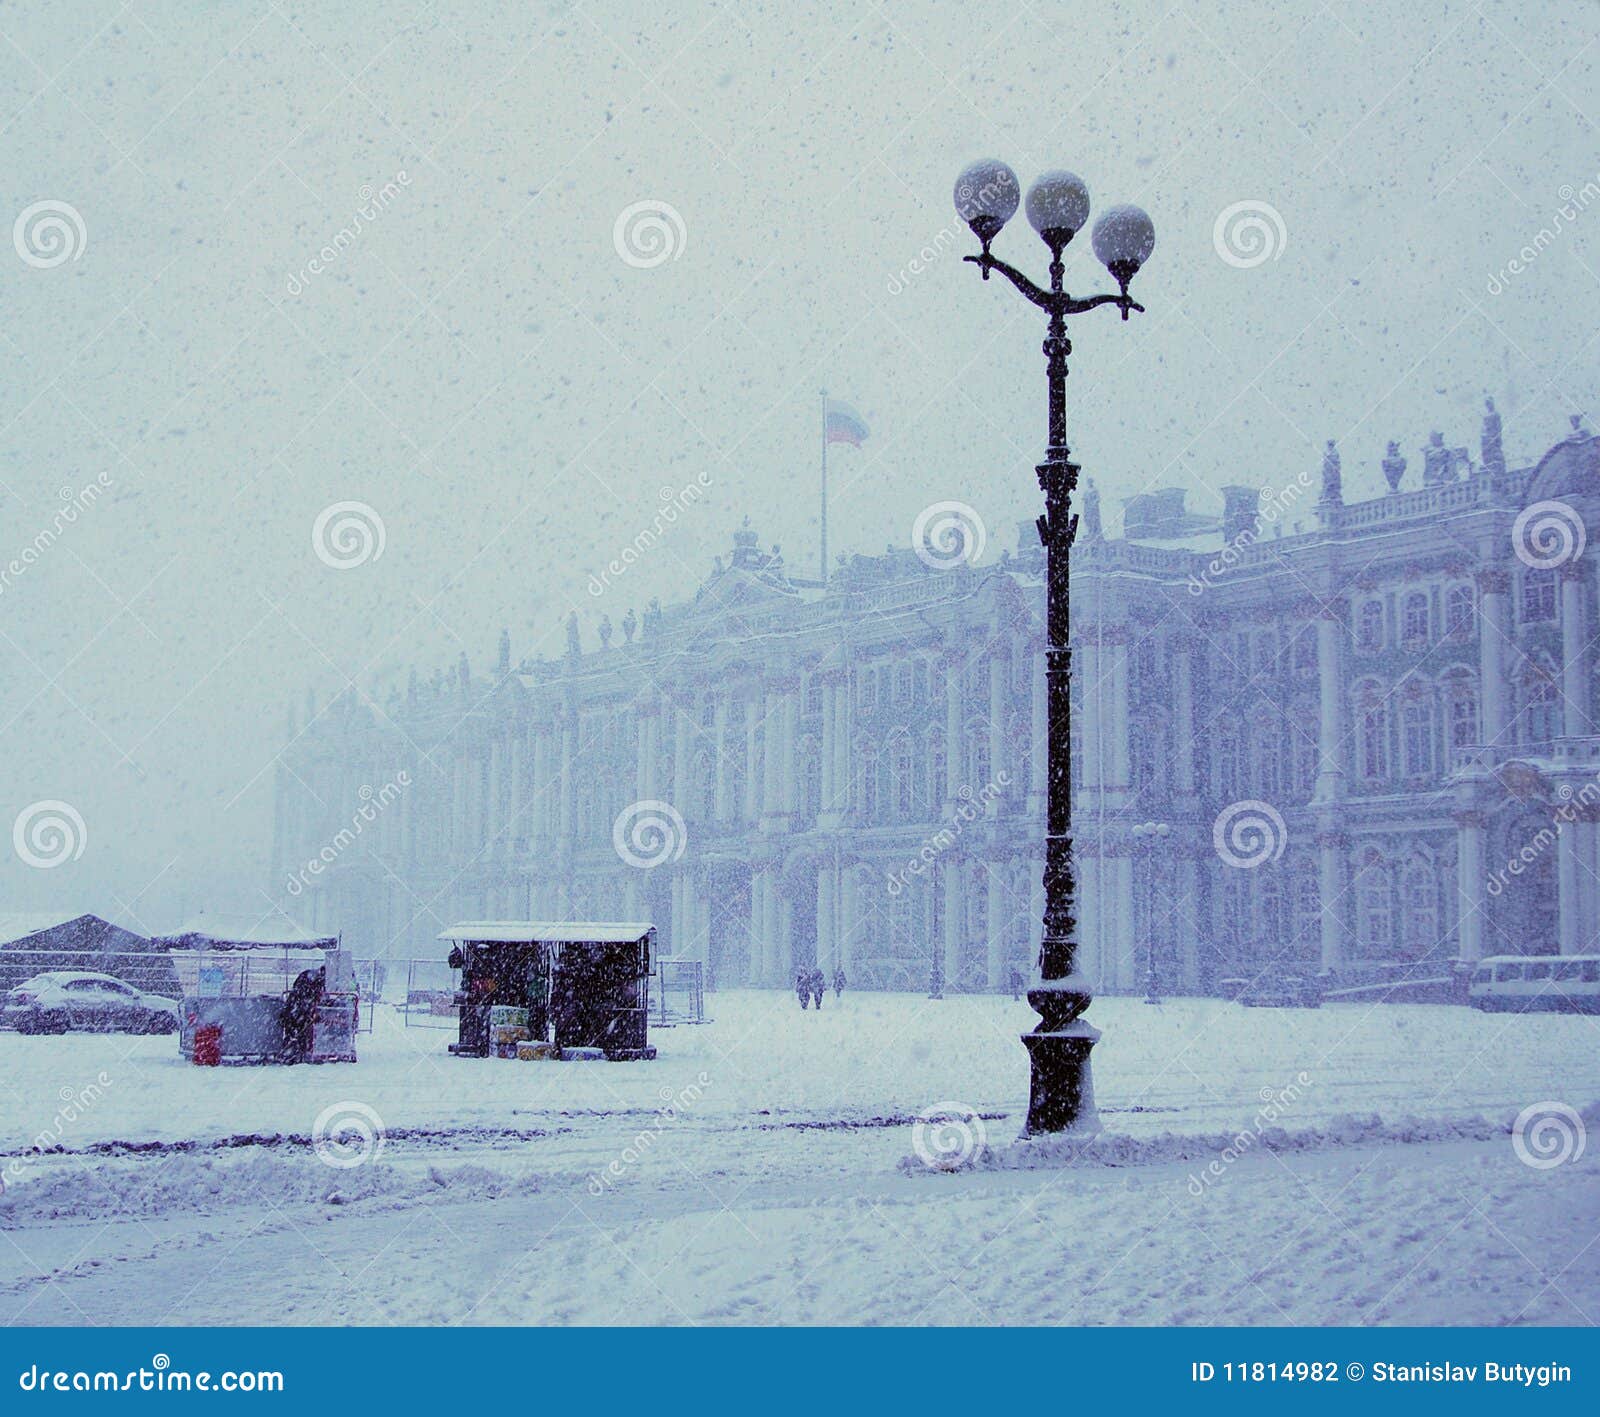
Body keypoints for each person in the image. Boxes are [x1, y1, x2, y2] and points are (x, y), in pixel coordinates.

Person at [282, 965, 325, 1063]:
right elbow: (314, 996)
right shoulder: (315, 980)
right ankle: (296, 1052)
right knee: (299, 1030)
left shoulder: (308, 976)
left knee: (294, 1030)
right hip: (299, 1009)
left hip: (295, 1008)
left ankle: (293, 1052)